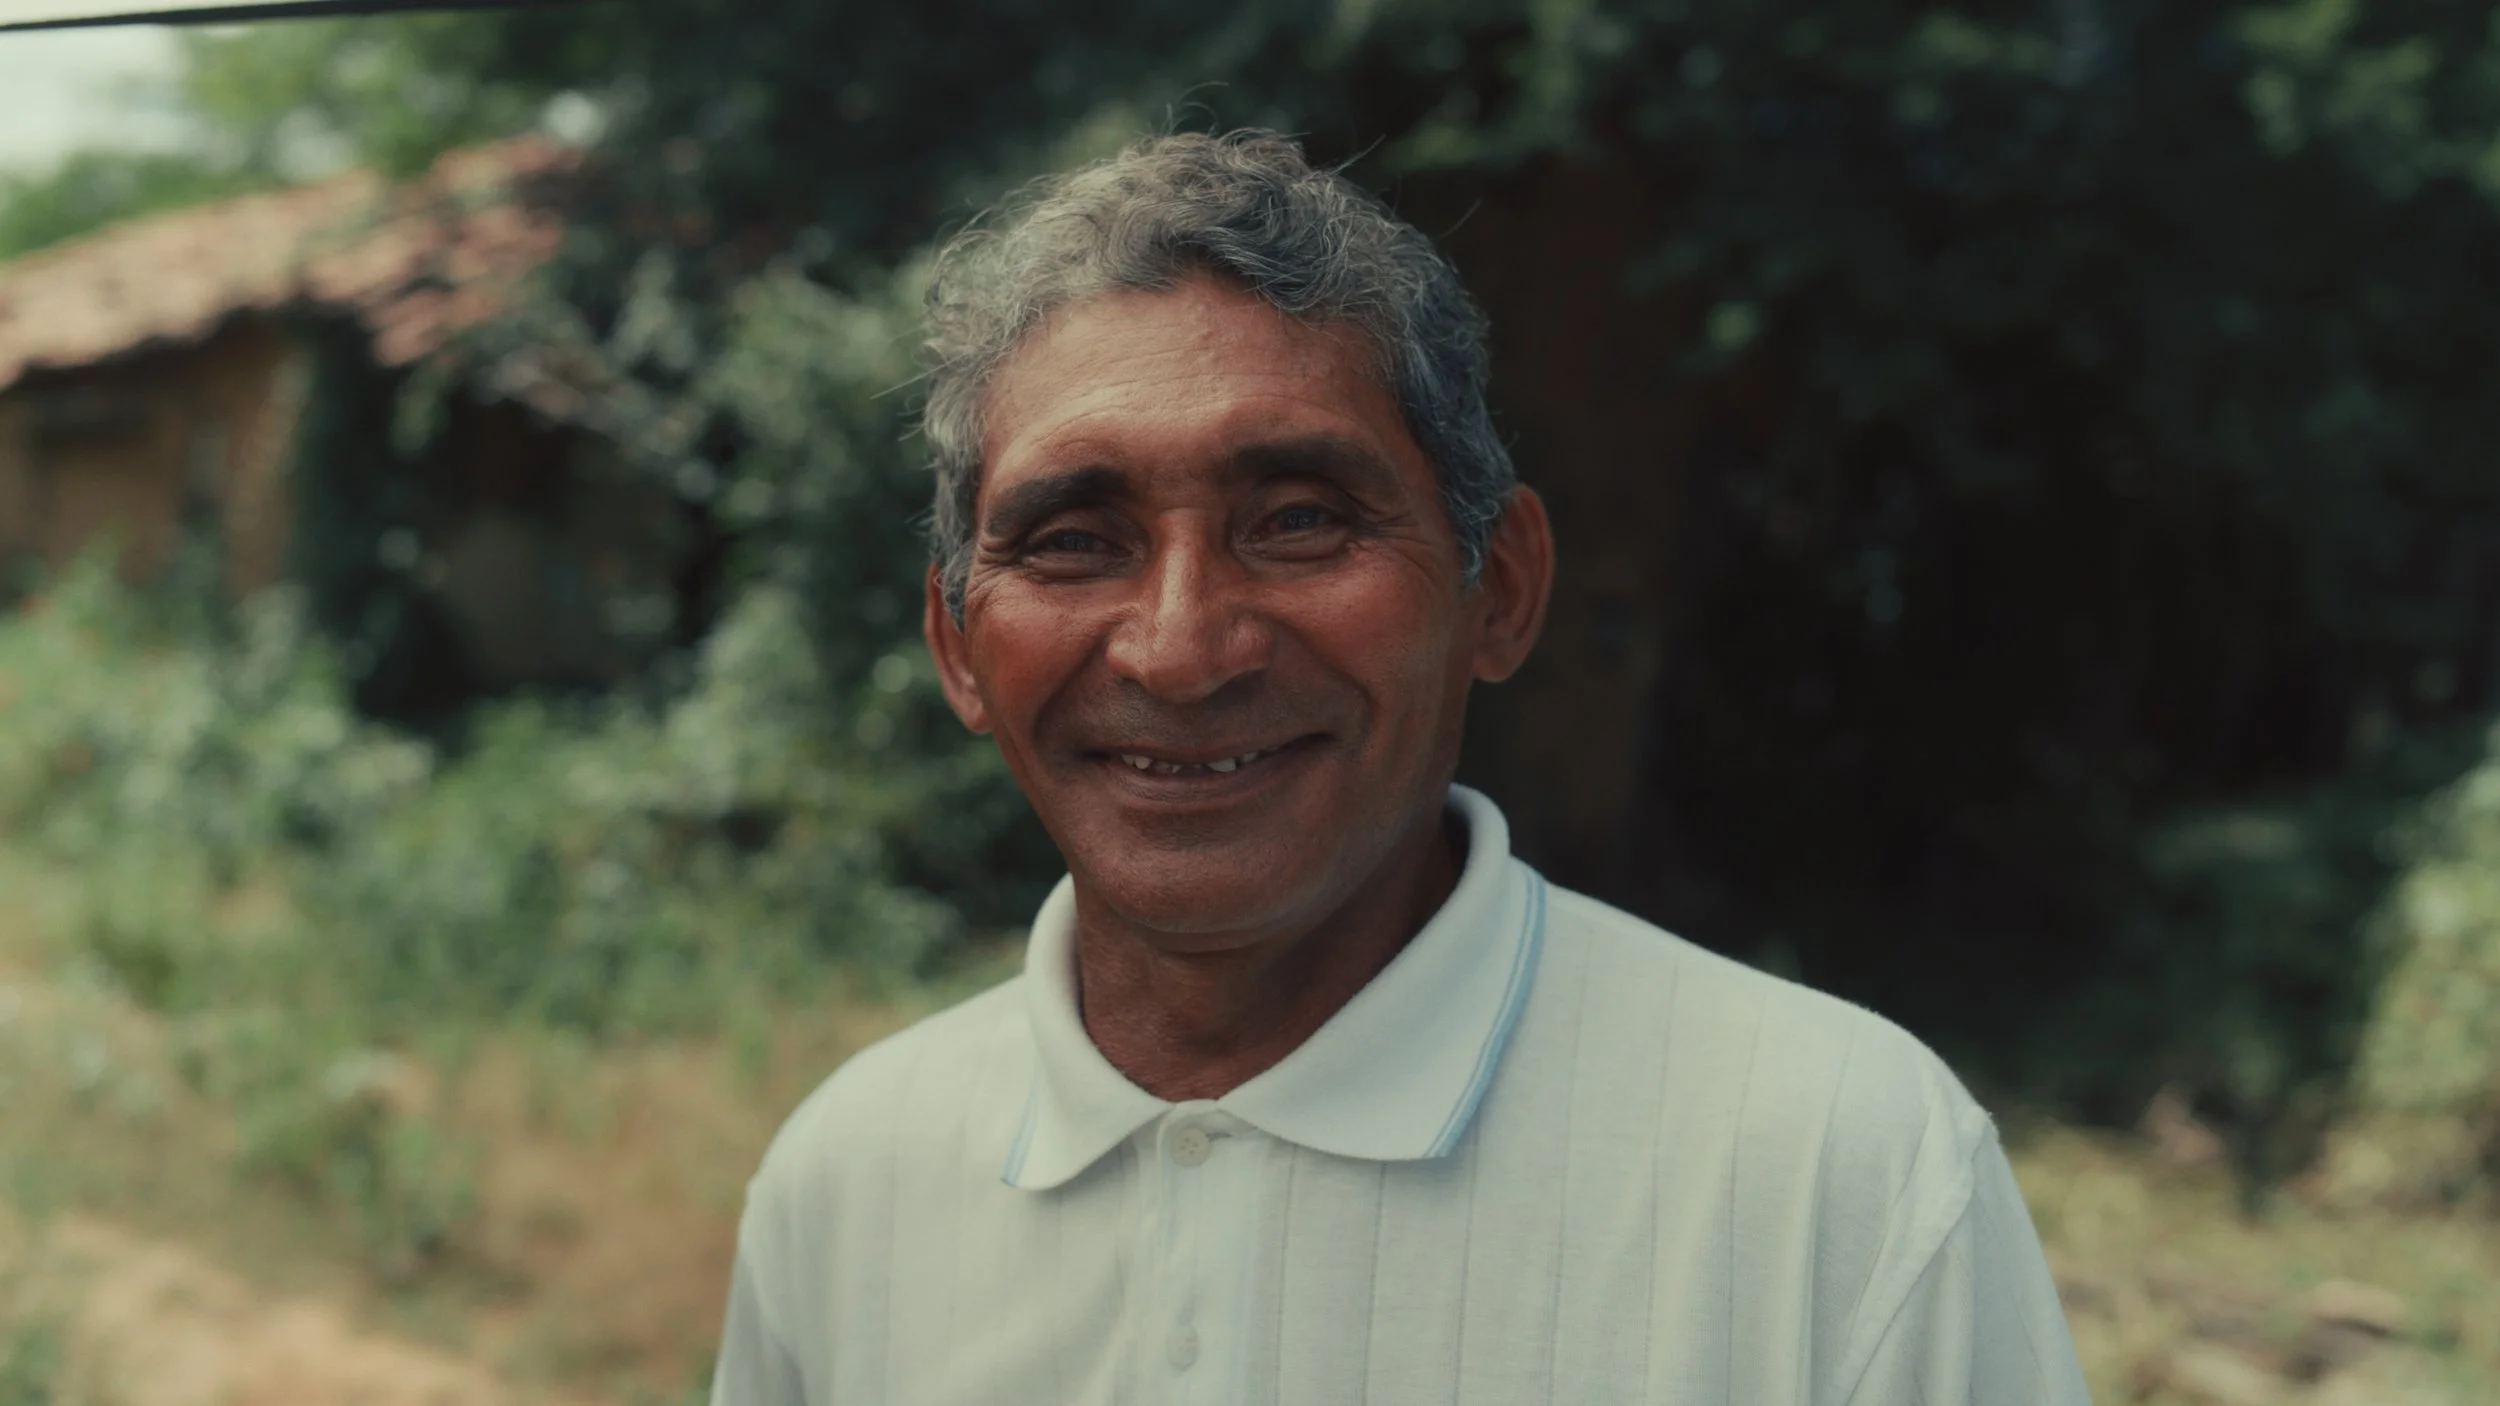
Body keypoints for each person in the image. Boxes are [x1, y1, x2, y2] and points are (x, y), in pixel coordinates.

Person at [709, 129, 2091, 1405]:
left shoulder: (1836, 1172)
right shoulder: (847, 1193)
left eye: (1299, 520)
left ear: (1502, 591)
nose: (1181, 651)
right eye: (1074, 541)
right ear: (958, 646)